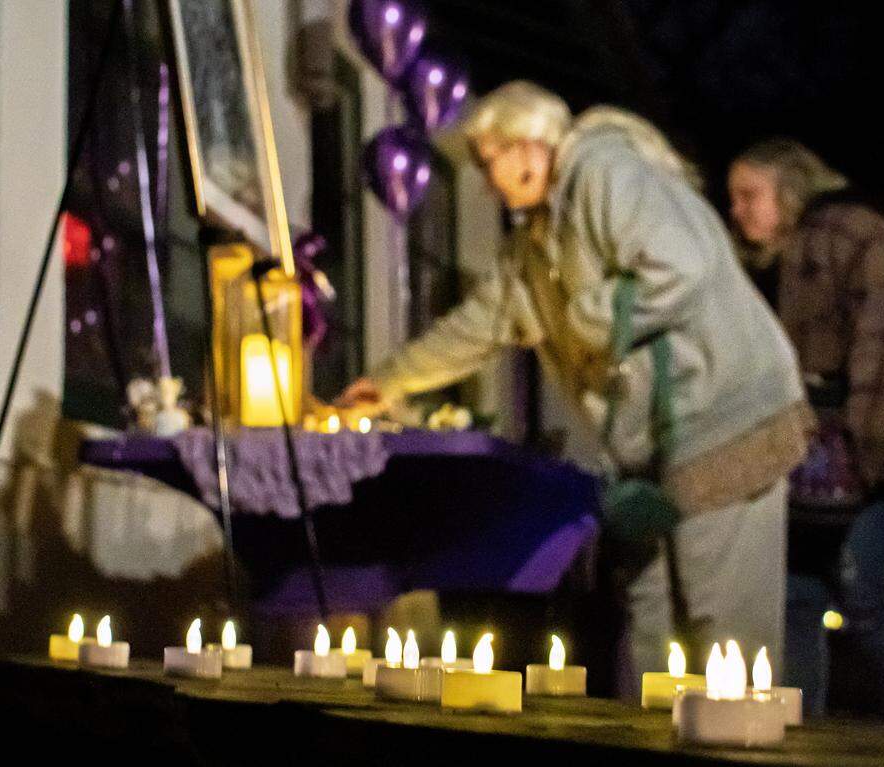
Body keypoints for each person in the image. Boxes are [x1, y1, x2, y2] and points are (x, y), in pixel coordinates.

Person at [338, 82, 810, 686]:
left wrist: (588, 317)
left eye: (489, 163)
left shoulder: (602, 169)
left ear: (528, 144)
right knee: (649, 623)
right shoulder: (536, 244)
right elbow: (477, 326)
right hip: (654, 447)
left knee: (723, 630)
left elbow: (682, 267)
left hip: (724, 415)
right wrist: (385, 383)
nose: (488, 184)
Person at [728, 138, 884, 716]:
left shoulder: (857, 235)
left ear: (788, 190)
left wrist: (869, 446)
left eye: (749, 196)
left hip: (859, 449)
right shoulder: (765, 262)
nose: (737, 211)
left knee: (862, 587)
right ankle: (800, 730)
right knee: (794, 595)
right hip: (796, 455)